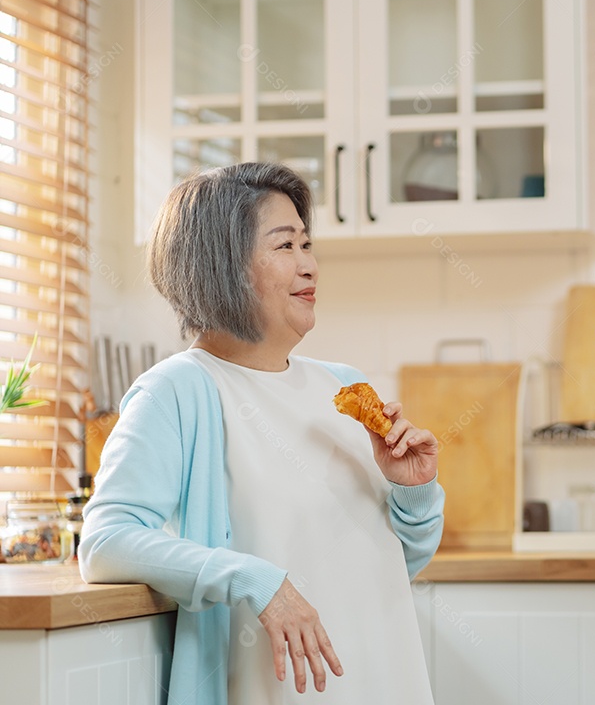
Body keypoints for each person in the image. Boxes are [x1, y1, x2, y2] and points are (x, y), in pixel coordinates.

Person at [80, 162, 445, 705]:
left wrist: (413, 490)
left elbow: (398, 563)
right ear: (221, 266)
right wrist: (253, 579)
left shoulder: (343, 387)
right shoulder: (178, 391)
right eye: (284, 247)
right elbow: (106, 542)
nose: (309, 267)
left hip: (387, 680)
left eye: (306, 244)